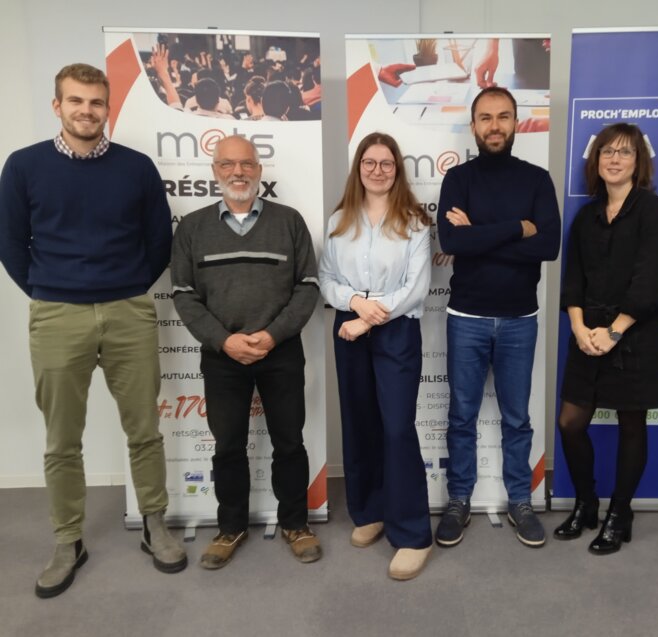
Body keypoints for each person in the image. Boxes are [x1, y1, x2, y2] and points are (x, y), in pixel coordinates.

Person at [0, 63, 186, 598]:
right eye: (76, 101)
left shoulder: (136, 168)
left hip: (128, 309)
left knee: (144, 429)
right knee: (62, 438)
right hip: (58, 313)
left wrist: (127, 286)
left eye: (96, 103)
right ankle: (67, 540)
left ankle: (155, 524)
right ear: (57, 106)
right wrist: (46, 290)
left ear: (108, 108)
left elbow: (158, 241)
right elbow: (11, 243)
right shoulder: (24, 166)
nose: (87, 110)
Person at [170, 135, 321, 569]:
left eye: (247, 164)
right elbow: (183, 294)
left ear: (259, 169)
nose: (238, 172)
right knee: (228, 445)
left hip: (281, 352)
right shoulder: (193, 228)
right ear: (215, 171)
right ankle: (230, 527)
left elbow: (307, 286)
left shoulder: (289, 221)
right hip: (223, 356)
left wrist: (272, 336)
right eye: (228, 165)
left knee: (289, 441)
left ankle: (295, 523)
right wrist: (224, 340)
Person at [436, 86, 561, 548]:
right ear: (473, 125)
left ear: (516, 123)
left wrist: (480, 234)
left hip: (518, 319)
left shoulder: (536, 179)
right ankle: (458, 499)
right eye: (485, 118)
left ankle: (520, 501)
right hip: (465, 316)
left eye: (503, 116)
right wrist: (516, 229)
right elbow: (452, 243)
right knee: (462, 416)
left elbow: (547, 247)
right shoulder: (458, 180)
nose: (494, 126)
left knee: (517, 418)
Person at [556, 123, 658, 554]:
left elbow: (649, 283)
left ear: (638, 161)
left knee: (631, 425)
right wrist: (578, 326)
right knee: (570, 423)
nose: (614, 159)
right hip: (587, 332)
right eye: (607, 151)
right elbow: (573, 280)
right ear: (596, 159)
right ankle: (587, 505)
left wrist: (614, 331)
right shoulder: (586, 215)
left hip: (635, 335)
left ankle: (619, 514)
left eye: (625, 152)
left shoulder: (653, 211)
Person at [319, 132, 433, 580]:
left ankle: (412, 534)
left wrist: (367, 317)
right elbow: (326, 279)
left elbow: (416, 289)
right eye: (370, 162)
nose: (378, 170)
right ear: (359, 168)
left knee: (398, 429)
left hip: (394, 332)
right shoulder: (338, 220)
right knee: (360, 421)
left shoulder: (415, 223)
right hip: (349, 327)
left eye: (387, 163)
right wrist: (354, 301)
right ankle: (370, 511)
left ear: (397, 170)